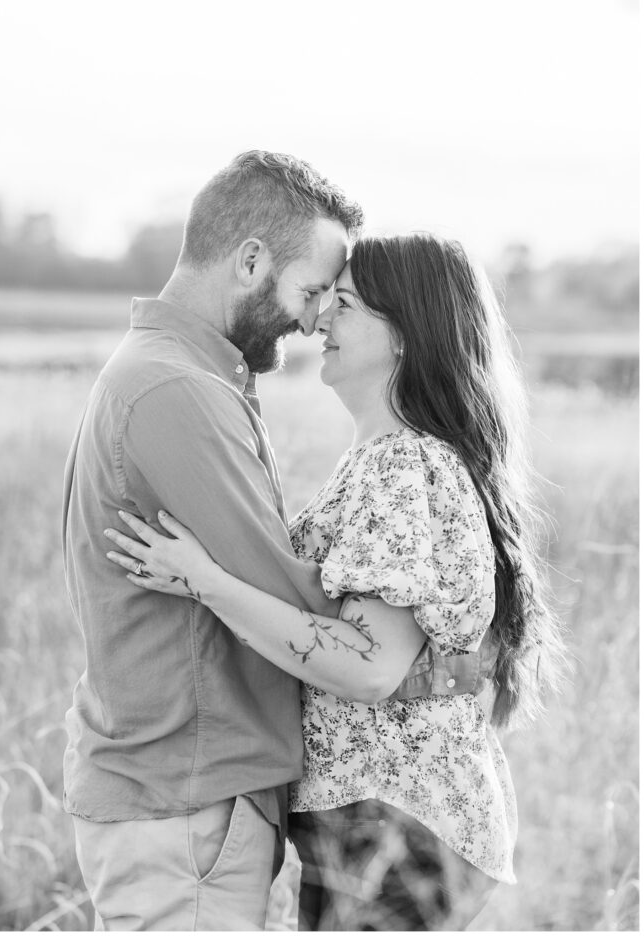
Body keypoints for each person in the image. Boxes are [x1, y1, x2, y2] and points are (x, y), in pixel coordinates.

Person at [104, 233, 565, 931]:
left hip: (396, 818)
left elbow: (369, 666)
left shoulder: (401, 465)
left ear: (406, 335)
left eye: (343, 305)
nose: (319, 320)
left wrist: (204, 580)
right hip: (391, 815)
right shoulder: (388, 458)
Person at [61, 150, 363, 931]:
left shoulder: (190, 374)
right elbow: (289, 601)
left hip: (188, 802)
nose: (316, 317)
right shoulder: (177, 389)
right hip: (185, 809)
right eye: (313, 290)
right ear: (251, 260)